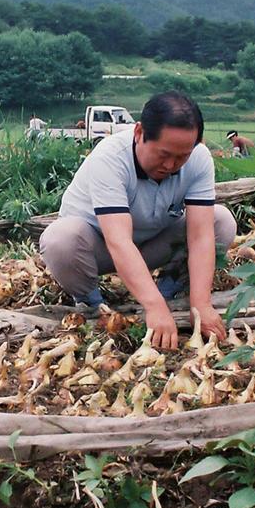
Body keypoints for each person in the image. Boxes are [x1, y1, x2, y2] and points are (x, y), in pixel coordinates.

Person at [39, 91, 238, 351]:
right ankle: (92, 303)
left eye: (182, 157)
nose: (171, 165)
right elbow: (118, 240)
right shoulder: (111, 158)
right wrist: (152, 307)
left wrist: (201, 306)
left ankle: (168, 292)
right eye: (163, 154)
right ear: (139, 133)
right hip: (97, 246)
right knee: (59, 239)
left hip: (151, 243)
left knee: (221, 221)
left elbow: (200, 236)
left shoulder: (199, 159)